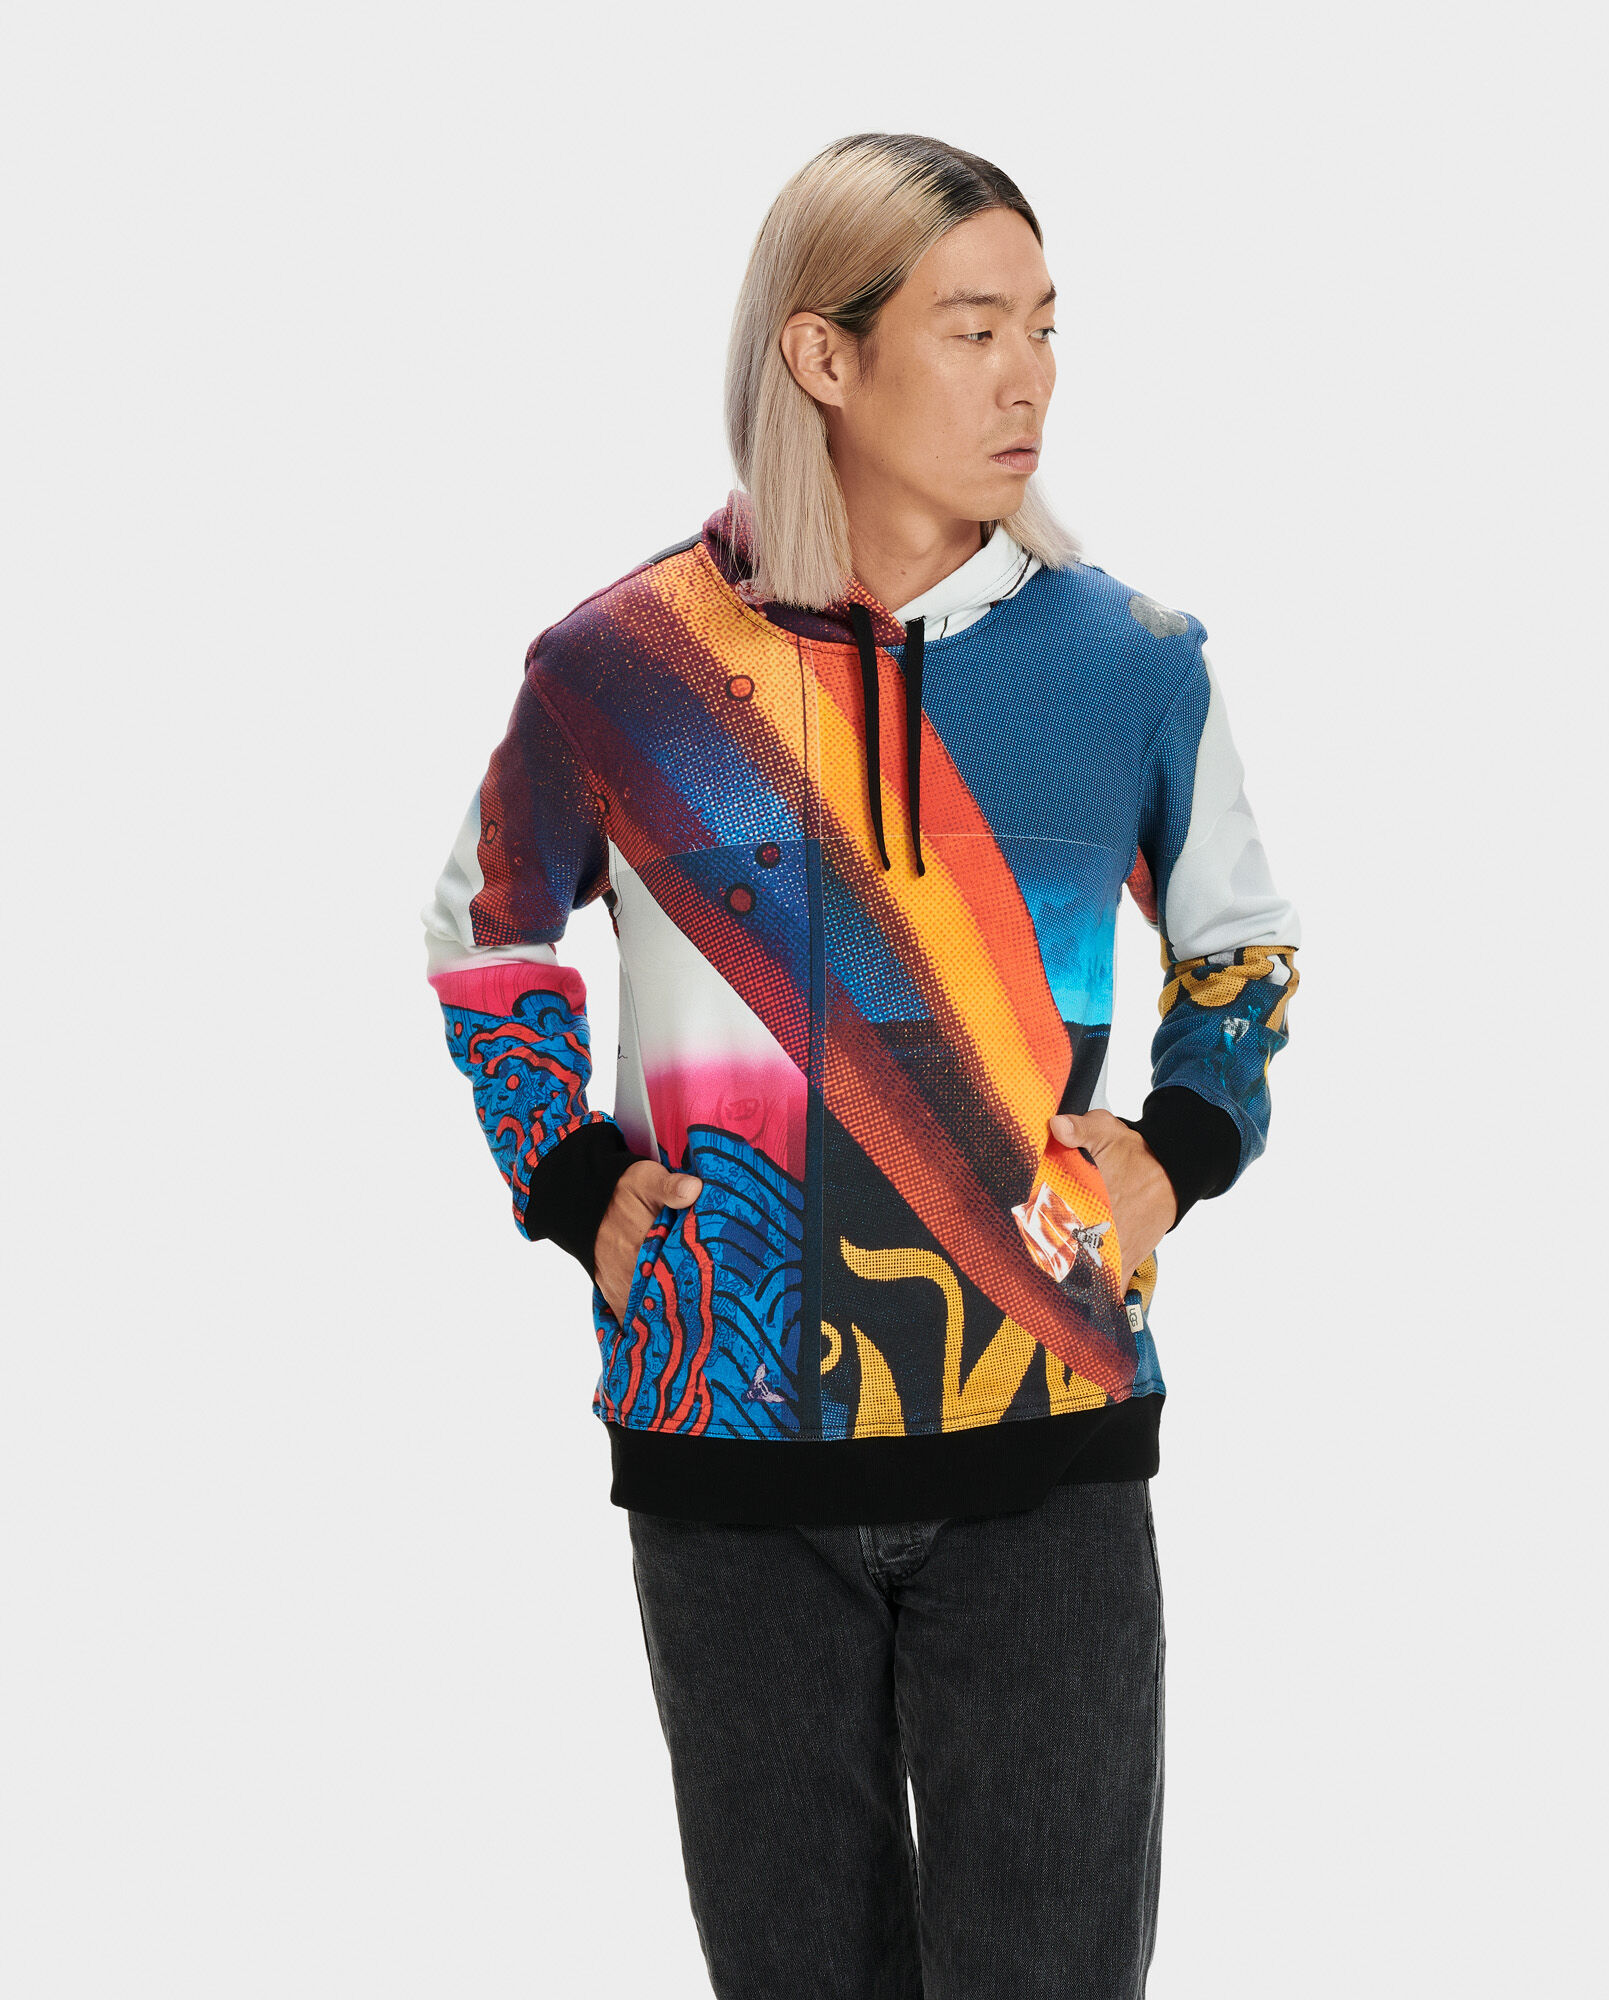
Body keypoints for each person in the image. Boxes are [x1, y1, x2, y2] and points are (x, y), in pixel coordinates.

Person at [420, 131, 1300, 2000]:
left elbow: (1241, 943)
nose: (1027, 377)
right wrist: (569, 1179)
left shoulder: (1131, 660)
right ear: (823, 356)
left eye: (1044, 327)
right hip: (721, 1445)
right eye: (973, 329)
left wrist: (1177, 1147)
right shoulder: (620, 667)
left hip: (1045, 1431)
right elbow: (486, 931)